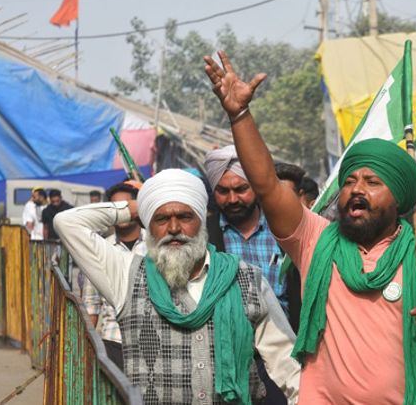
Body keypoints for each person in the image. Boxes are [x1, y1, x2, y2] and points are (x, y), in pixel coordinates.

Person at [204, 50, 416, 404]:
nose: (356, 189)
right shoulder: (315, 241)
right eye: (350, 180)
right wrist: (240, 115)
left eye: (372, 182)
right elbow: (267, 186)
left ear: (398, 197)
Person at [54, 169, 300, 404]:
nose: (173, 229)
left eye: (184, 217)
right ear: (147, 224)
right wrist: (139, 205)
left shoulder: (245, 278)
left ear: (202, 221)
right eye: (161, 219)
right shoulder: (125, 275)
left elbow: (286, 365)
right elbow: (67, 223)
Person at [204, 145, 295, 405]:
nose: (232, 199)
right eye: (223, 191)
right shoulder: (205, 237)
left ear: (255, 186)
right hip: (227, 363)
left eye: (241, 189)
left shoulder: (284, 231)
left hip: (285, 356)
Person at [81, 182, 144, 370]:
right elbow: (91, 305)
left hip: (153, 342)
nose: (120, 211)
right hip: (113, 340)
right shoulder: (99, 251)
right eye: (114, 207)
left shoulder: (156, 246)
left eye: (125, 206)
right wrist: (85, 351)